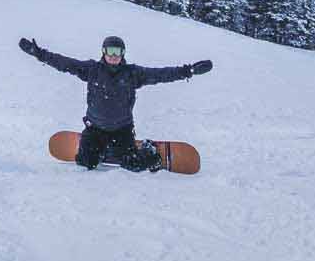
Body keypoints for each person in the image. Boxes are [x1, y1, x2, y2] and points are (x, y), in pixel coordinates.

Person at [19, 34, 212, 171]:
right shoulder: (91, 69)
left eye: (118, 51)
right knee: (86, 163)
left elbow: (161, 74)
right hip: (95, 129)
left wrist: (188, 71)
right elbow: (64, 63)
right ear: (103, 52)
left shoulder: (133, 74)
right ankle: (99, 150)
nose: (114, 55)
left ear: (123, 53)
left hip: (122, 130)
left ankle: (147, 149)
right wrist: (39, 53)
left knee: (132, 165)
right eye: (110, 51)